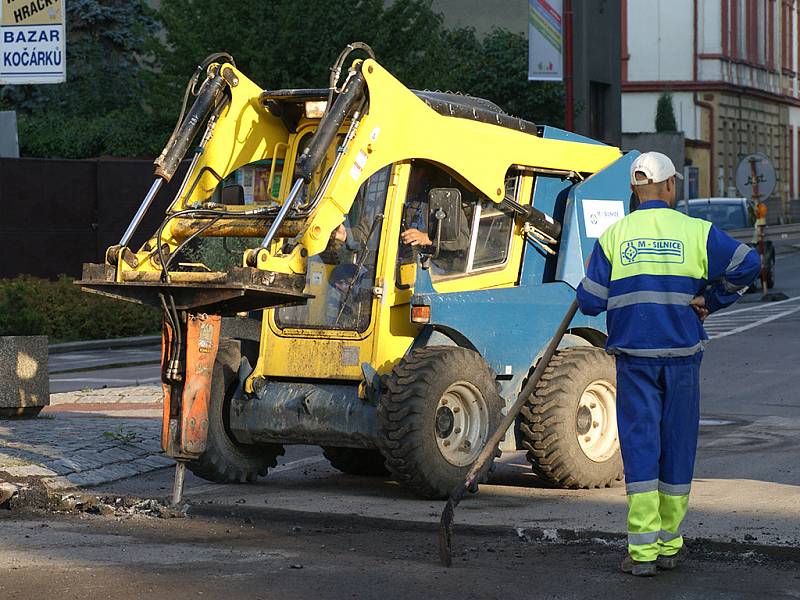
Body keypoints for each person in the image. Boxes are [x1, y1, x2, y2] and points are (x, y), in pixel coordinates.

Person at [576, 152, 760, 577]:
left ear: (634, 191)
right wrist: (710, 300)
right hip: (681, 356)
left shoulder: (614, 236)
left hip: (635, 358)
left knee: (641, 448)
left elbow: (588, 300)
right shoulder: (696, 232)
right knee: (677, 446)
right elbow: (747, 264)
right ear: (671, 187)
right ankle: (669, 545)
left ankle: (641, 554)